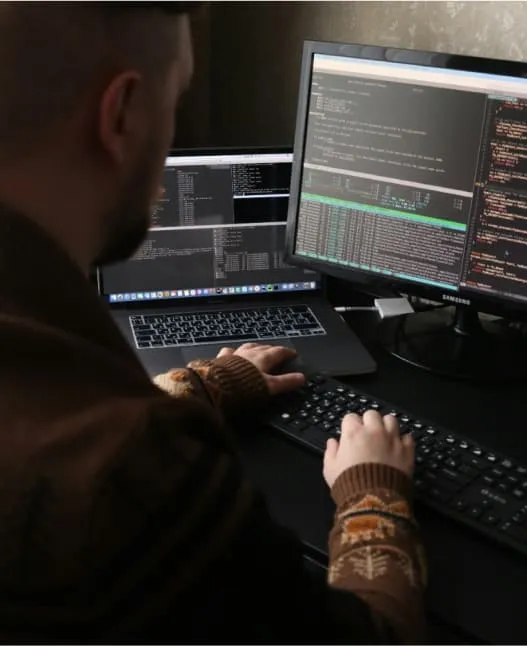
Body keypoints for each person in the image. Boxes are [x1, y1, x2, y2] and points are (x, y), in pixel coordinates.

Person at [0, 2, 426, 643]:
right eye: (174, 101)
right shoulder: (134, 477)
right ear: (122, 115)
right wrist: (374, 493)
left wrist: (193, 385)